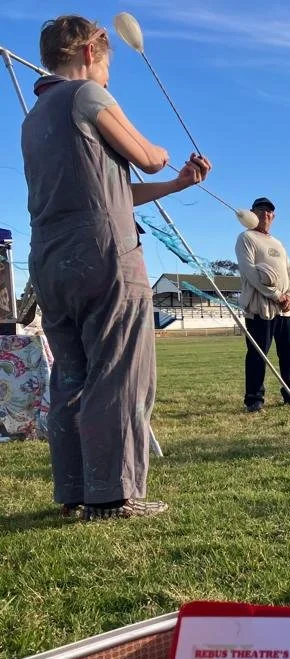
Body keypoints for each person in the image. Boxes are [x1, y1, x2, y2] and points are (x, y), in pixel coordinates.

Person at [22, 15, 211, 520]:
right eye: (107, 64)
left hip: (50, 258)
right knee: (121, 372)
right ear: (90, 51)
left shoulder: (34, 116)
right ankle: (114, 495)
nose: (108, 76)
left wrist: (176, 188)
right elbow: (148, 157)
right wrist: (165, 157)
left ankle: (75, 492)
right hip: (104, 255)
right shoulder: (87, 96)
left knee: (71, 377)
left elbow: (112, 192)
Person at [235, 197, 290, 413]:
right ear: (252, 213)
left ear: (273, 217)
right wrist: (276, 295)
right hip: (260, 307)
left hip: (286, 309)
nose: (266, 214)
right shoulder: (246, 238)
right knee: (258, 353)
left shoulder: (278, 243)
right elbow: (250, 273)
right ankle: (254, 399)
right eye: (261, 210)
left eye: (269, 212)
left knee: (289, 353)